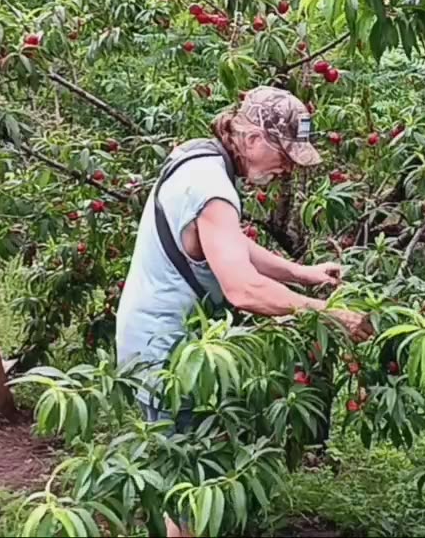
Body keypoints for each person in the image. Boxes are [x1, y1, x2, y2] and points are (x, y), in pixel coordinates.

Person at [116, 87, 371, 534]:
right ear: (251, 138)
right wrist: (328, 314)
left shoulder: (201, 159)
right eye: (284, 153)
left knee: (194, 474)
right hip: (168, 354)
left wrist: (301, 273)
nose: (288, 166)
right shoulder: (213, 187)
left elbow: (230, 244)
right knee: (188, 484)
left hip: (174, 344)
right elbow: (243, 289)